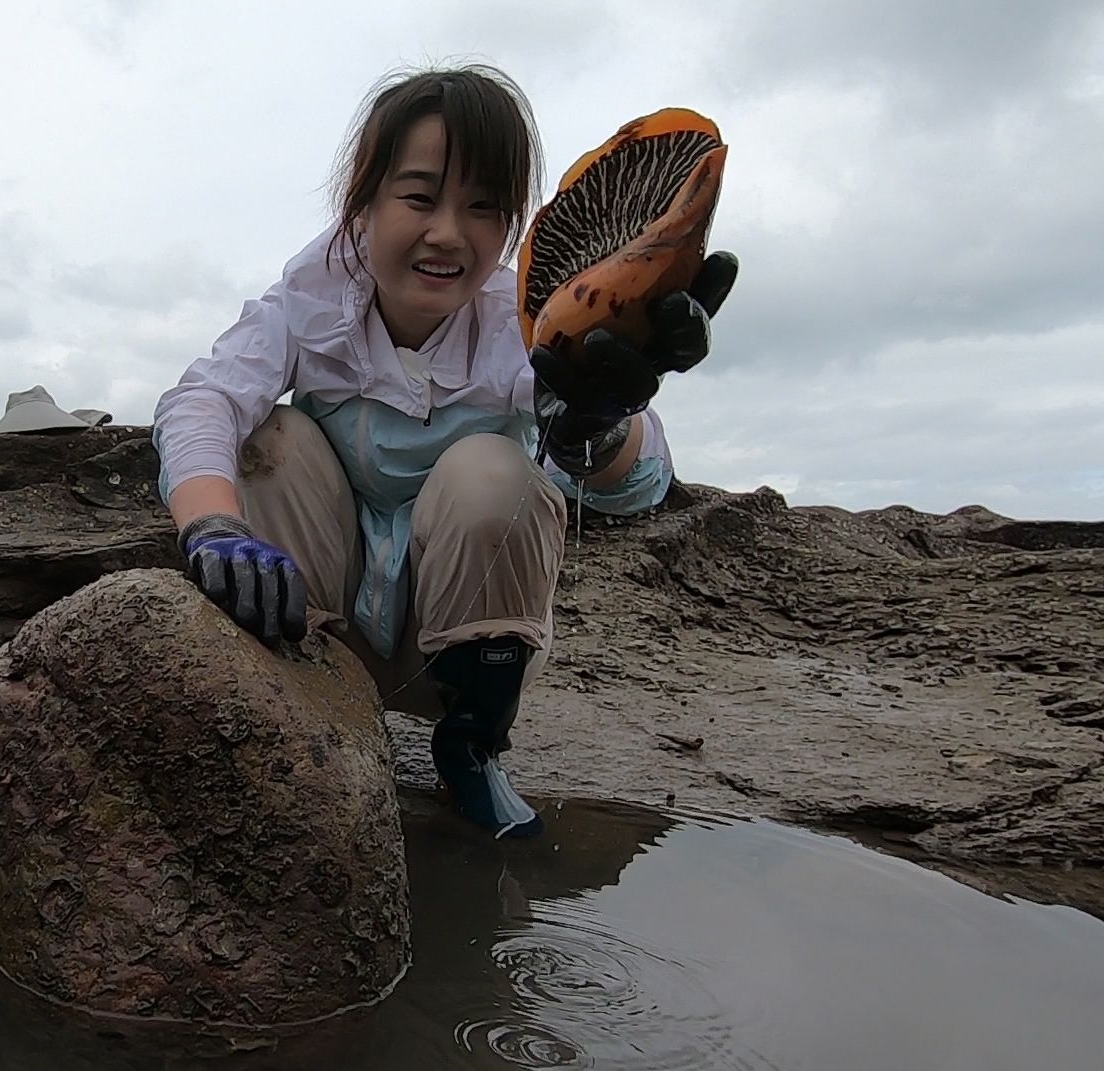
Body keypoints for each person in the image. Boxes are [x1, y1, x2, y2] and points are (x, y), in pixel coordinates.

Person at [151, 64, 737, 839]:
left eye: (483, 207)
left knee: (494, 471)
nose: (448, 234)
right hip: (316, 622)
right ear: (364, 202)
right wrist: (210, 528)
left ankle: (472, 750)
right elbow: (203, 402)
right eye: (420, 197)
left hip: (463, 636)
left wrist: (600, 419)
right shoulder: (307, 299)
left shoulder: (525, 329)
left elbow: (637, 485)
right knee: (272, 439)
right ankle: (302, 712)